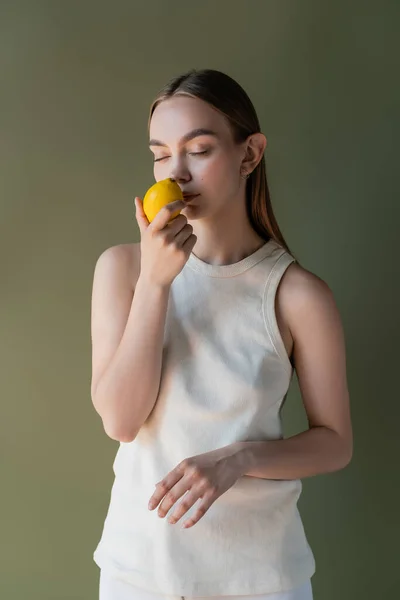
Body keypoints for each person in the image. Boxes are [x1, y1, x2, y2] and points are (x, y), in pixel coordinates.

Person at [90, 69, 353, 600]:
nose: (176, 172)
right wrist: (156, 284)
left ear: (249, 154)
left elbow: (335, 444)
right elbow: (120, 419)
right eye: (161, 154)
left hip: (261, 578)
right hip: (138, 573)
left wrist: (240, 459)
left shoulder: (298, 295)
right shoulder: (123, 269)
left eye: (199, 149)